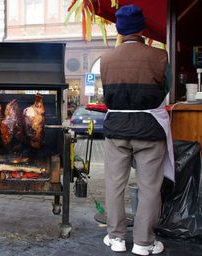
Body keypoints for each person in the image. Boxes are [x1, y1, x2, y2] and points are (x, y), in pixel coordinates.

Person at [100, 4, 174, 256]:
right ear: (141, 28)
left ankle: (116, 238)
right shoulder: (160, 56)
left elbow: (107, 94)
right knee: (149, 187)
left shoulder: (106, 59)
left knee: (114, 185)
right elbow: (165, 89)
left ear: (119, 28)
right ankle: (144, 243)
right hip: (149, 129)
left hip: (117, 129)